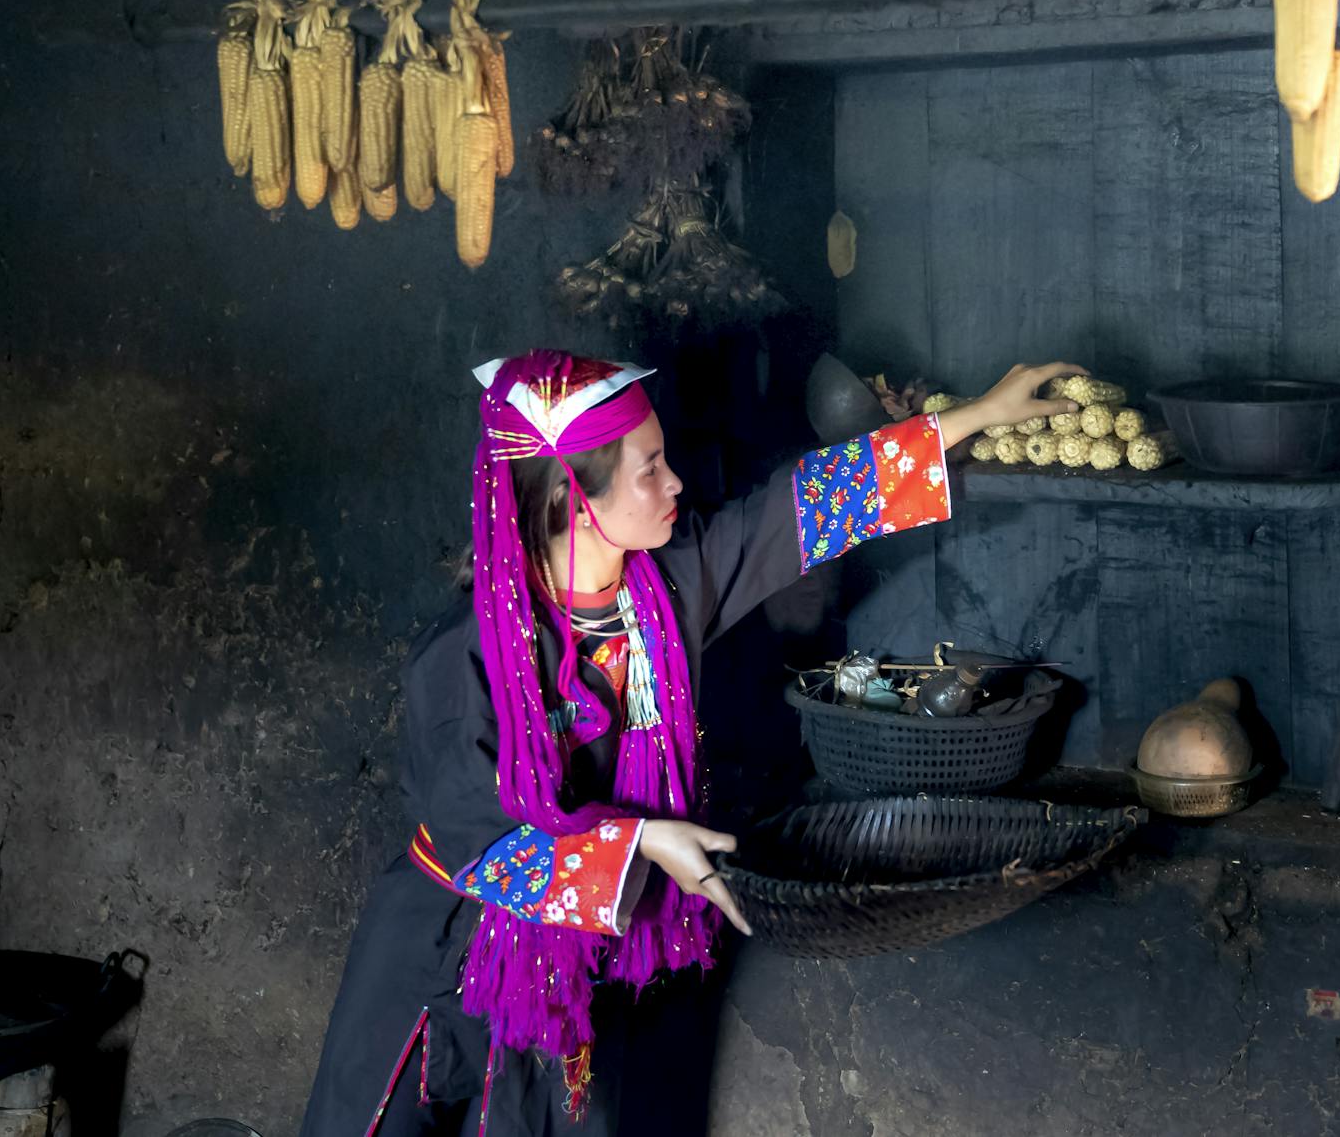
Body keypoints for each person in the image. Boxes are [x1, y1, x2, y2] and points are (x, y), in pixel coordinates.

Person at [299, 349, 1082, 1135]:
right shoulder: (466, 653)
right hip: (447, 941)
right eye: (650, 469)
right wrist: (643, 840)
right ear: (577, 498)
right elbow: (480, 834)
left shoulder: (668, 587)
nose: (675, 482)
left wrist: (974, 416)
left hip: (576, 962)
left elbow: (803, 509)